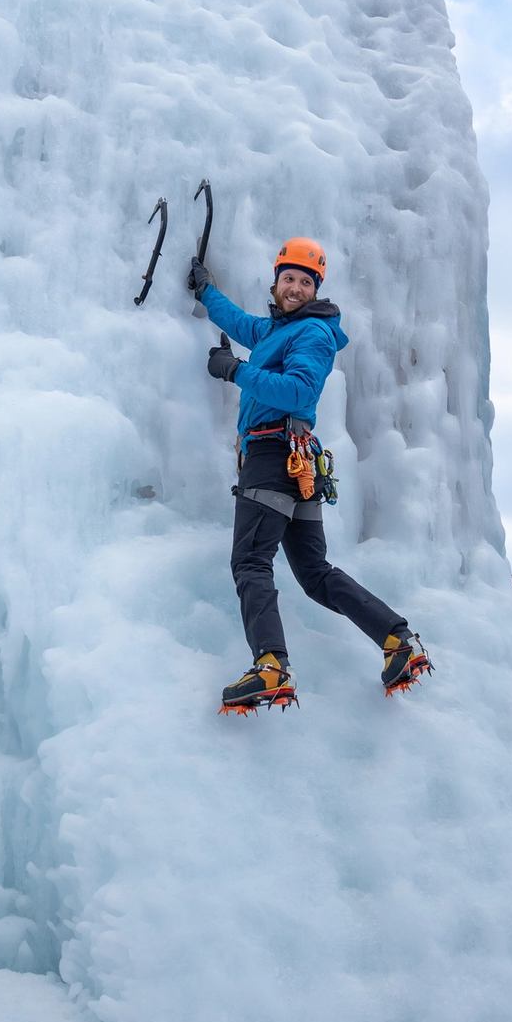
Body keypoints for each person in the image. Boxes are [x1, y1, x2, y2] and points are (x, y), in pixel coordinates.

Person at [188, 238, 431, 712]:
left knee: (251, 563)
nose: (295, 288)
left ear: (316, 289)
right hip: (295, 463)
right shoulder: (281, 329)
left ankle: (271, 668)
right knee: (315, 575)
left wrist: (235, 370)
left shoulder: (313, 333)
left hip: (273, 453)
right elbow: (243, 324)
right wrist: (205, 292)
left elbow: (299, 393)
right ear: (276, 283)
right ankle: (397, 642)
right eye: (289, 279)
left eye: (305, 281)